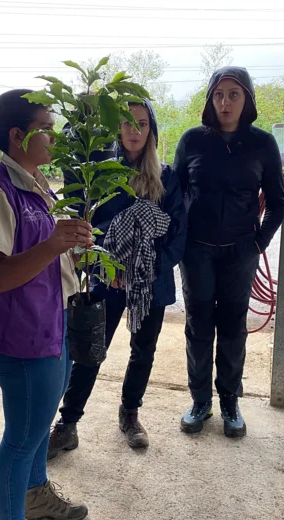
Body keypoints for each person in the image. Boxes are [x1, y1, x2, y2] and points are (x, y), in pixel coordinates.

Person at [0, 89, 92, 520]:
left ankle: (36, 493)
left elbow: (46, 253)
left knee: (41, 421)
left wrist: (72, 249)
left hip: (50, 321)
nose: (54, 136)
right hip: (20, 335)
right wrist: (53, 242)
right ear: (18, 136)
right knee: (21, 436)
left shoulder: (35, 182)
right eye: (46, 126)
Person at [49, 98, 186, 458]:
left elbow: (177, 235)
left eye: (141, 123)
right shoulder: (103, 173)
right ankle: (68, 423)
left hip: (150, 282)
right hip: (108, 280)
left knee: (143, 351)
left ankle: (130, 413)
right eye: (126, 123)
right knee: (91, 350)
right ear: (117, 129)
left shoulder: (166, 177)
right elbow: (87, 224)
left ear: (151, 129)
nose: (133, 130)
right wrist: (103, 268)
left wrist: (145, 270)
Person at [174, 66, 284, 438]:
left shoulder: (263, 144)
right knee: (198, 325)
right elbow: (176, 196)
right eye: (219, 95)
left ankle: (230, 401)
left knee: (234, 328)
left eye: (234, 95)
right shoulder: (192, 141)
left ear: (247, 100)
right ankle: (200, 401)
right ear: (210, 99)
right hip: (198, 253)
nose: (225, 102)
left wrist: (258, 241)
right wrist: (180, 241)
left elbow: (279, 202)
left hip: (241, 251)